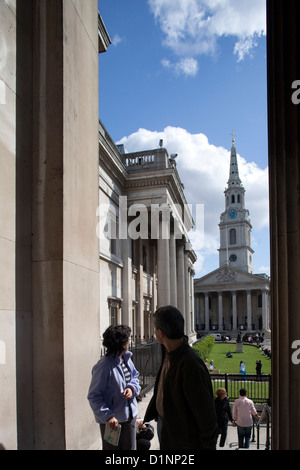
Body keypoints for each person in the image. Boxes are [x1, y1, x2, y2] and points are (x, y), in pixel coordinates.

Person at [144, 305, 218, 450]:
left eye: (154, 329)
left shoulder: (190, 364)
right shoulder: (169, 352)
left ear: (161, 333)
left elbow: (207, 418)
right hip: (166, 425)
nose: (154, 333)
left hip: (183, 439)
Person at [87, 325, 141, 450]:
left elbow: (135, 377)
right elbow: (94, 396)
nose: (129, 341)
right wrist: (108, 416)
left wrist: (131, 388)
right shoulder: (104, 366)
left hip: (130, 418)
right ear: (121, 343)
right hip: (113, 423)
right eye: (128, 339)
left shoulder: (126, 359)